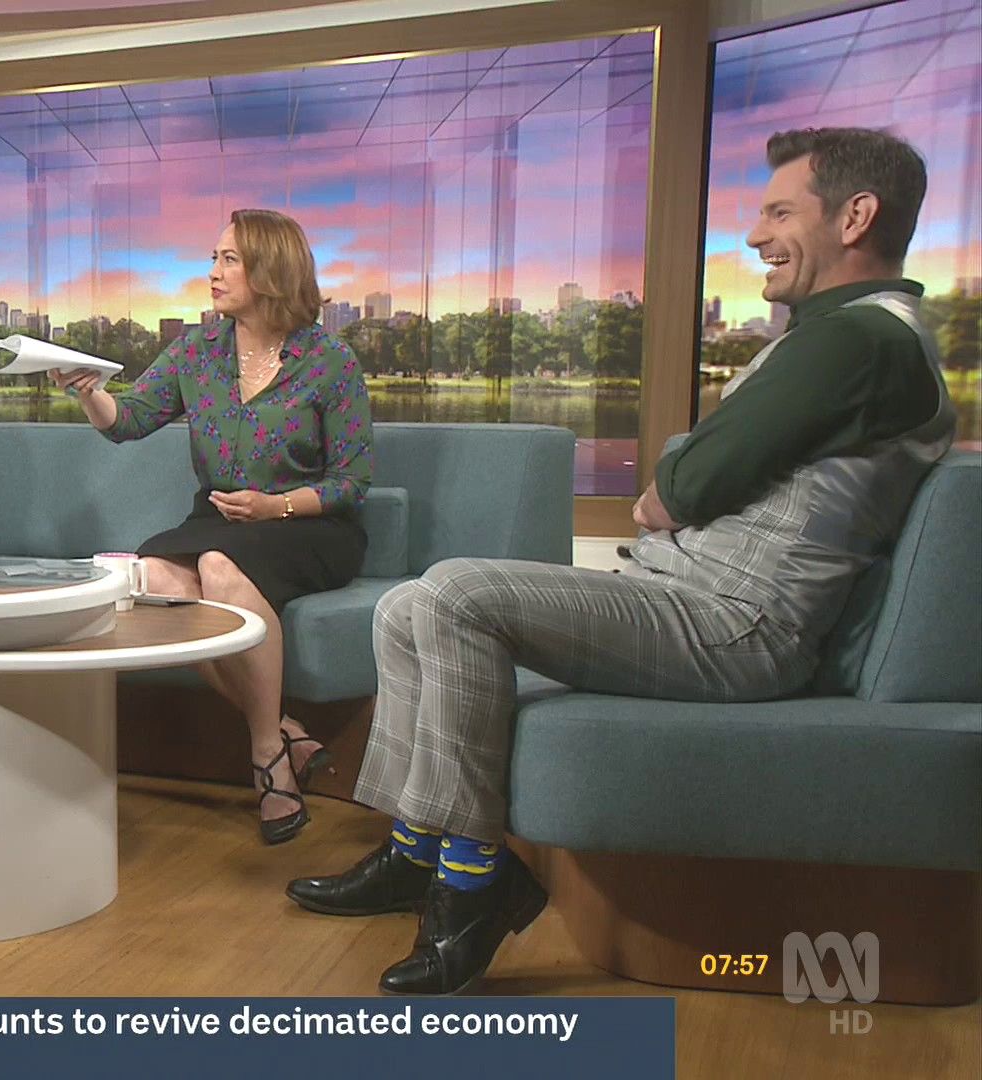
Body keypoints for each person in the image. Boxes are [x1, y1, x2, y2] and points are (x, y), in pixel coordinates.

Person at [287, 127, 952, 995]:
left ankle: (473, 885)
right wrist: (681, 484)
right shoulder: (840, 337)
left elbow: (685, 481)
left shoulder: (860, 340)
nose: (756, 234)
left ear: (856, 217)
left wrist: (673, 489)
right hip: (693, 601)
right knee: (407, 604)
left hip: (738, 627)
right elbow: (698, 470)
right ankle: (414, 851)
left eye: (781, 212)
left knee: (453, 593)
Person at [51, 208, 374, 845]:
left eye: (230, 260)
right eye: (214, 259)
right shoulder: (196, 352)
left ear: (270, 270)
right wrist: (90, 391)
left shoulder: (329, 360)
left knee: (220, 569)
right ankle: (282, 731)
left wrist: (274, 507)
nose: (214, 273)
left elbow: (352, 481)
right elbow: (129, 420)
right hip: (222, 517)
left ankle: (265, 758)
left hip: (307, 524)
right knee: (156, 576)